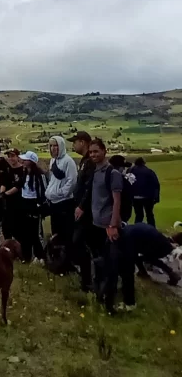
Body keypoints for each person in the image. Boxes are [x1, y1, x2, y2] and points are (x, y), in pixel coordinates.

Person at [88, 138, 124, 313]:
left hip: (108, 228)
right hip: (96, 225)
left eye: (96, 151)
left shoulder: (113, 173)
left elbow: (117, 202)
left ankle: (110, 304)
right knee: (99, 263)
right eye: (91, 152)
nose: (93, 154)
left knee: (111, 267)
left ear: (104, 151)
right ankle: (99, 296)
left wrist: (113, 225)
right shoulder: (96, 172)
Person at [69, 131, 96, 292]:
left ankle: (88, 281)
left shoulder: (90, 163)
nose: (73, 145)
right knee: (83, 244)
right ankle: (88, 279)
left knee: (80, 243)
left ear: (83, 142)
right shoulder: (84, 161)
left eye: (75, 142)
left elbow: (89, 187)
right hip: (81, 208)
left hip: (86, 211)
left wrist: (82, 206)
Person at [46, 136, 77, 256]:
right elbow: (52, 179)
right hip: (54, 203)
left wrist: (60, 193)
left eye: (56, 145)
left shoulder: (68, 161)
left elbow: (72, 181)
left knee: (66, 233)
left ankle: (67, 259)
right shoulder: (53, 161)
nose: (53, 148)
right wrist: (50, 192)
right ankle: (57, 259)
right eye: (51, 146)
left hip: (65, 202)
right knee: (56, 232)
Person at [18, 151, 47, 263]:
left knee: (35, 232)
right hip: (25, 203)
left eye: (25, 160)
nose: (23, 161)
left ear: (31, 162)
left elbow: (43, 190)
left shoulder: (39, 175)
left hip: (35, 205)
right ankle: (26, 255)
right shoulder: (25, 173)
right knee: (25, 232)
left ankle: (40, 256)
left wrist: (40, 204)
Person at [128, 157, 160, 227]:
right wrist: (156, 197)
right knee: (149, 214)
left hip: (135, 197)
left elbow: (128, 183)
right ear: (143, 163)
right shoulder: (149, 171)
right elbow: (156, 184)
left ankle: (136, 230)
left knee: (139, 215)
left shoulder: (131, 171)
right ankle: (152, 230)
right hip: (148, 197)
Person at [1, 149, 23, 240]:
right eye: (9, 156)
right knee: (6, 228)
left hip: (19, 202)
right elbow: (3, 183)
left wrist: (6, 194)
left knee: (18, 229)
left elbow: (19, 186)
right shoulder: (7, 169)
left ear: (18, 157)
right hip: (8, 203)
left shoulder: (23, 169)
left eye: (13, 156)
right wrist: (1, 194)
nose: (10, 158)